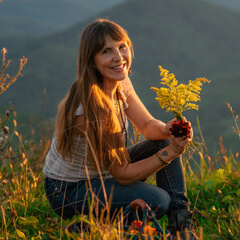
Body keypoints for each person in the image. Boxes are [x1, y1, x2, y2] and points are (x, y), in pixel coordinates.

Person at [43, 18, 199, 240]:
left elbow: (146, 125)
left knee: (163, 141)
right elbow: (123, 174)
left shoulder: (119, 81)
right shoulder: (91, 109)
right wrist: (171, 154)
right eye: (107, 51)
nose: (119, 57)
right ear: (92, 60)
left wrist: (167, 129)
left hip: (103, 174)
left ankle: (181, 225)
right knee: (158, 201)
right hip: (69, 192)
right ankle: (90, 228)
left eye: (122, 47)